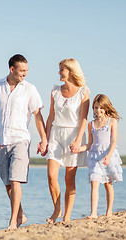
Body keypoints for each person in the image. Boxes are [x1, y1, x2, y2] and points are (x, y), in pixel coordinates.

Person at [0, 54, 47, 230]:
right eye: (22, 71)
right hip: (0, 141)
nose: (25, 74)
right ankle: (20, 214)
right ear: (12, 69)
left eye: (26, 71)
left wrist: (44, 139)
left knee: (15, 180)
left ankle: (13, 222)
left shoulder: (30, 89)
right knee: (7, 183)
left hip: (21, 139)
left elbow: (37, 116)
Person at [45, 58, 90, 223]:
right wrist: (45, 139)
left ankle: (67, 216)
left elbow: (84, 119)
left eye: (61, 69)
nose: (59, 72)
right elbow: (50, 117)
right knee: (51, 176)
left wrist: (78, 141)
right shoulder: (55, 91)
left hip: (73, 135)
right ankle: (57, 209)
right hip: (56, 134)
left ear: (71, 71)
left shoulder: (83, 92)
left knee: (69, 179)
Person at [78, 94, 123, 218]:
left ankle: (109, 211)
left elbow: (113, 142)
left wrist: (108, 156)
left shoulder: (112, 121)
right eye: (96, 108)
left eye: (100, 108)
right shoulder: (91, 124)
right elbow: (89, 144)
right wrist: (79, 149)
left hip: (108, 155)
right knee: (94, 182)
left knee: (108, 184)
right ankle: (93, 213)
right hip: (95, 157)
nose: (98, 110)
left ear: (106, 107)